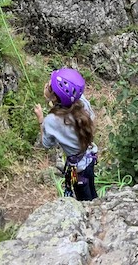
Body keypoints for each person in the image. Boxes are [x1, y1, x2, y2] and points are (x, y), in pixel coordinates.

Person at [34, 68, 98, 201]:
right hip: (90, 157)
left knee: (84, 200)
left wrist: (41, 119)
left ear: (55, 97)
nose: (46, 85)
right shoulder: (82, 103)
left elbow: (46, 144)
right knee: (91, 189)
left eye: (49, 85)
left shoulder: (52, 120)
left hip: (77, 169)